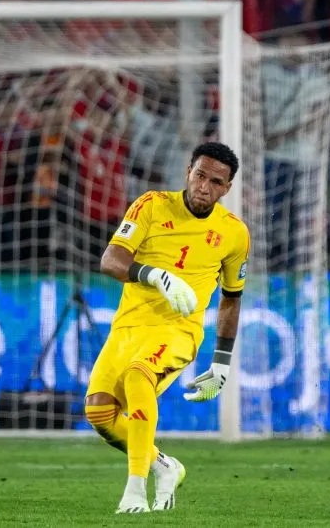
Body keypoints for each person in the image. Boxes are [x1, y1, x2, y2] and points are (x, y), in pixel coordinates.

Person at [85, 142, 249, 514]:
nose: (204, 186)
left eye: (215, 181)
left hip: (178, 331)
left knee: (138, 376)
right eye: (200, 175)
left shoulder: (235, 234)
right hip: (128, 326)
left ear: (227, 188)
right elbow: (110, 261)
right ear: (188, 172)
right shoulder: (151, 205)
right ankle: (164, 465)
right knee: (99, 413)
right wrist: (154, 274)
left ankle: (135, 490)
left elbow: (231, 299)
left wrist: (221, 363)